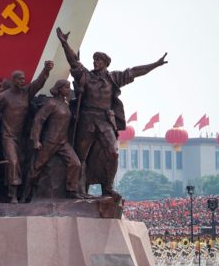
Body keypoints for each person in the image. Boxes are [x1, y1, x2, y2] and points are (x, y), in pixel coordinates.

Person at [56, 27, 167, 197]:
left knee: (113, 153)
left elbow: (135, 71)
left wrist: (155, 64)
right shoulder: (86, 76)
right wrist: (64, 43)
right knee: (80, 156)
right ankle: (79, 189)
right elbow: (73, 62)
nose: (95, 62)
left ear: (106, 63)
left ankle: (107, 188)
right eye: (94, 60)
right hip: (87, 119)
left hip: (104, 119)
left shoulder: (113, 78)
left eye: (98, 60)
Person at [0, 60, 54, 203]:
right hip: (7, 136)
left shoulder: (26, 93)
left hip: (22, 136)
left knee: (23, 162)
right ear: (13, 80)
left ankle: (24, 193)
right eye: (20, 79)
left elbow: (38, 83)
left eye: (24, 78)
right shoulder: (3, 96)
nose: (23, 81)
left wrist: (46, 70)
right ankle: (13, 194)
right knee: (13, 161)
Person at [24, 79, 82, 200]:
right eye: (66, 87)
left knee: (75, 164)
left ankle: (71, 190)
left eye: (69, 87)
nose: (68, 89)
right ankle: (25, 194)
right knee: (36, 167)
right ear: (59, 89)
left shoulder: (65, 104)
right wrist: (36, 140)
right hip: (50, 141)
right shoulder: (51, 103)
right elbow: (38, 120)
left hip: (63, 142)